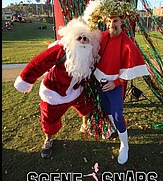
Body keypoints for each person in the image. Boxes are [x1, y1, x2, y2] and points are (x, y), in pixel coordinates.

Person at [14, 17, 101, 159]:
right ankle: (49, 139)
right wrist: (25, 80)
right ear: (72, 38)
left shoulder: (90, 56)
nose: (83, 41)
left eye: (86, 38)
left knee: (87, 106)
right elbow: (39, 63)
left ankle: (84, 124)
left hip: (76, 92)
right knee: (49, 119)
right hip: (54, 94)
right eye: (80, 37)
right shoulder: (61, 50)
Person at [84, 0, 150, 165]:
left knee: (117, 115)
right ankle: (116, 129)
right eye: (109, 21)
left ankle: (124, 145)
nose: (112, 24)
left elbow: (131, 66)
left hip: (114, 85)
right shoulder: (103, 36)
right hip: (100, 83)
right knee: (107, 110)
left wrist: (116, 83)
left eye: (115, 21)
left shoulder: (126, 42)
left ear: (121, 22)